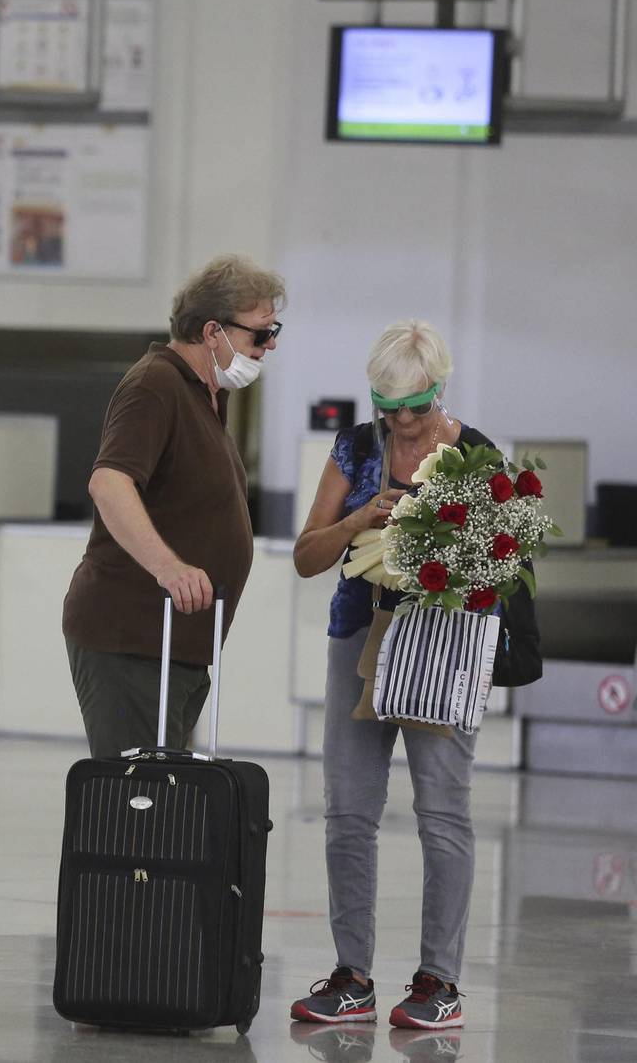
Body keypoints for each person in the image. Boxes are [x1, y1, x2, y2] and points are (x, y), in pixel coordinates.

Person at [289, 319, 536, 1031]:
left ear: (440, 392)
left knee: (443, 809)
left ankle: (439, 980)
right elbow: (307, 555)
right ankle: (352, 975)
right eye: (387, 408)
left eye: (415, 409)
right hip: (359, 633)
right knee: (348, 810)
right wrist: (361, 516)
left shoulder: (477, 456)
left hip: (445, 639)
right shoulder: (356, 449)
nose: (401, 424)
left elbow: (504, 564)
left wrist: (447, 549)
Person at [62, 253, 286, 757]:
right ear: (213, 332)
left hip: (174, 643)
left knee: (166, 808)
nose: (270, 344)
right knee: (136, 805)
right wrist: (170, 568)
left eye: (275, 330)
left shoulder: (207, 395)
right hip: (132, 637)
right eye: (259, 332)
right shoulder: (155, 385)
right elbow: (110, 483)